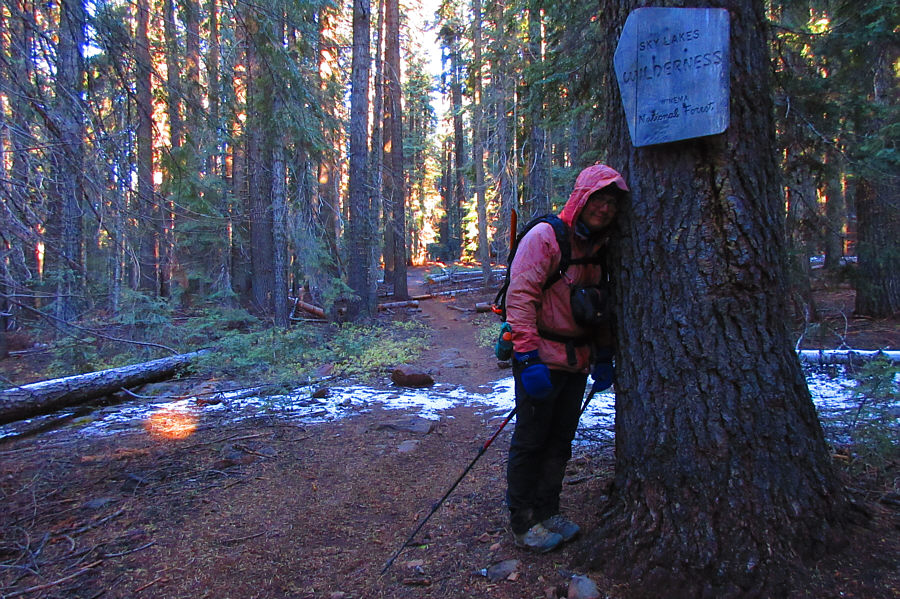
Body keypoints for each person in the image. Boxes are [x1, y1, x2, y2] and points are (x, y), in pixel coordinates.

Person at [505, 163, 627, 552]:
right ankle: (523, 521)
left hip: (576, 361)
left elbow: (600, 304)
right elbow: (520, 297)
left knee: (560, 441)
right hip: (540, 360)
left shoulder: (599, 247)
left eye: (612, 203)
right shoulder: (546, 238)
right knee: (531, 440)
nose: (604, 208)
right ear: (582, 197)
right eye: (599, 199)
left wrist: (603, 353)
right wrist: (527, 356)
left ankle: (549, 510)